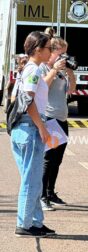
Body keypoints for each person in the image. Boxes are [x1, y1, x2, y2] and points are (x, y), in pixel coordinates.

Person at [11, 31, 55, 237]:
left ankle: (35, 222)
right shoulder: (34, 70)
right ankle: (24, 224)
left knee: (33, 179)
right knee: (32, 180)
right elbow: (28, 102)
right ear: (38, 50)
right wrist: (42, 127)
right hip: (30, 129)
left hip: (22, 129)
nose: (51, 52)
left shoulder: (28, 69)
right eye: (49, 48)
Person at [40, 28, 76, 210]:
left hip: (62, 118)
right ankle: (42, 195)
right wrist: (54, 70)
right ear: (51, 52)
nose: (64, 57)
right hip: (50, 117)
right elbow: (43, 87)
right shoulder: (44, 68)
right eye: (61, 53)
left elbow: (70, 91)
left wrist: (70, 73)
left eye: (65, 54)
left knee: (57, 159)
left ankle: (51, 192)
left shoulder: (62, 70)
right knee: (48, 159)